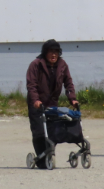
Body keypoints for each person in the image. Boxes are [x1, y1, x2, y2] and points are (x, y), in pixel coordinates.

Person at [26, 39, 79, 167]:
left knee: (51, 130)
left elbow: (68, 83)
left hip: (52, 104)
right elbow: (31, 85)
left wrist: (72, 98)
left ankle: (49, 154)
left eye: (56, 52)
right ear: (45, 53)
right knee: (39, 130)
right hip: (37, 104)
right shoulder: (36, 64)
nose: (54, 55)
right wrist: (35, 100)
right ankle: (41, 159)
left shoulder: (62, 65)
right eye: (51, 52)